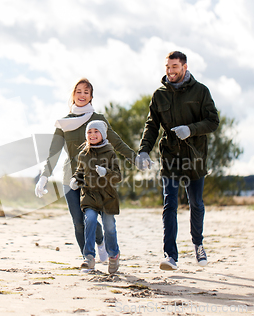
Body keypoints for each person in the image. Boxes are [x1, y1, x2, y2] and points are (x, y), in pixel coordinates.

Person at [35, 78, 136, 263]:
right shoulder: (63, 123)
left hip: (95, 178)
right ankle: (88, 257)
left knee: (90, 216)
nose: (82, 95)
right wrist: (44, 176)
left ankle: (100, 245)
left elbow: (116, 142)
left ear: (91, 96)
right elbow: (53, 152)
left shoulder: (98, 120)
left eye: (86, 92)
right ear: (73, 94)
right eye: (79, 91)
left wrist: (134, 157)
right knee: (78, 221)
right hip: (70, 177)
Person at [136, 51, 219, 271]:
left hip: (195, 157)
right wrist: (143, 151)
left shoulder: (201, 91)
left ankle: (198, 244)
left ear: (184, 66)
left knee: (196, 204)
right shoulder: (159, 95)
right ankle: (170, 255)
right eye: (167, 67)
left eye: (174, 67)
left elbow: (213, 121)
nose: (170, 71)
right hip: (170, 157)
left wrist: (190, 130)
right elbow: (151, 125)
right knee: (169, 204)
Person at [70, 120, 121, 273]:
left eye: (96, 131)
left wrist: (106, 173)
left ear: (103, 134)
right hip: (90, 196)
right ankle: (89, 257)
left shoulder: (110, 152)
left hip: (107, 197)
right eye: (89, 132)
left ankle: (113, 255)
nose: (92, 135)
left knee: (109, 227)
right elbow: (80, 172)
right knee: (90, 220)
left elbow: (118, 176)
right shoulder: (83, 154)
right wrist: (75, 180)